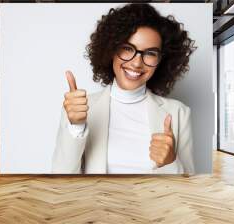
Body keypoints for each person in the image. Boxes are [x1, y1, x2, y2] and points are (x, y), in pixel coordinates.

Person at [52, 3, 196, 174]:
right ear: (111, 50)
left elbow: (187, 191)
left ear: (161, 61)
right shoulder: (79, 107)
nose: (136, 63)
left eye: (150, 53)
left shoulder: (179, 113)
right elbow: (60, 181)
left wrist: (171, 162)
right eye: (127, 49)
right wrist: (76, 127)